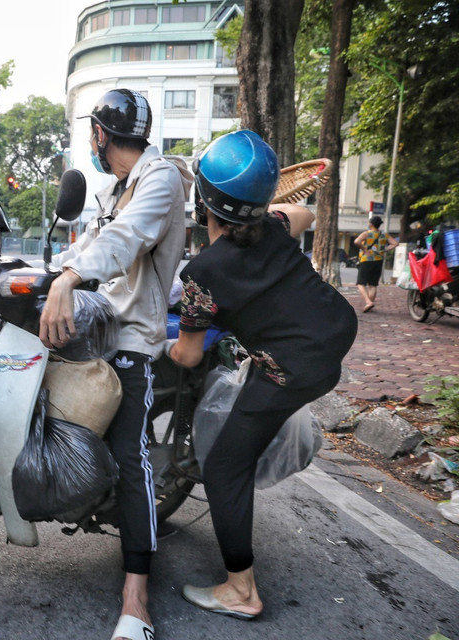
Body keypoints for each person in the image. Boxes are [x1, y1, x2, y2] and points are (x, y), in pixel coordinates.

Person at [167, 130, 358, 621]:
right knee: (250, 408)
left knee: (226, 466)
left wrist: (156, 339)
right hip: (334, 332)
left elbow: (187, 356)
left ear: (202, 201)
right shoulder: (274, 224)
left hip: (294, 365)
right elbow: (304, 214)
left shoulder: (203, 274)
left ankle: (240, 591)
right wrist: (268, 214)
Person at [39, 88, 193, 640]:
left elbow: (126, 242)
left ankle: (137, 599)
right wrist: (49, 270)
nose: (90, 143)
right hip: (93, 326)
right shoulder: (113, 189)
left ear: (101, 135)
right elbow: (89, 246)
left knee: (132, 458)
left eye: (91, 134)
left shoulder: (162, 179)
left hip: (131, 339)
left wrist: (69, 281)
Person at [354, 215, 398, 313]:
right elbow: (395, 243)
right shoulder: (384, 235)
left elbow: (356, 241)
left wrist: (364, 249)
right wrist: (385, 249)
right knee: (373, 285)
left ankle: (368, 302)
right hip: (378, 261)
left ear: (371, 224)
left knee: (361, 283)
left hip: (366, 260)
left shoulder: (366, 234)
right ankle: (370, 303)